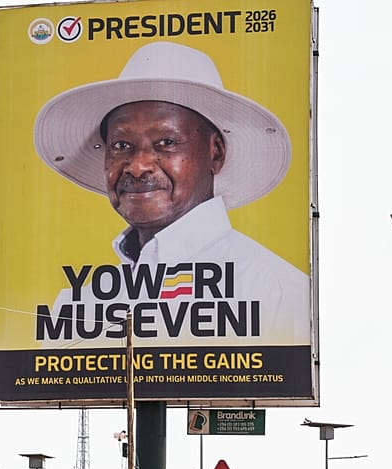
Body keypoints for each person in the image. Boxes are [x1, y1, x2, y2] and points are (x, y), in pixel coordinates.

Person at [34, 41, 309, 346]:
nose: (137, 167)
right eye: (121, 146)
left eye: (166, 142)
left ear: (215, 152)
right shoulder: (77, 307)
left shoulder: (275, 288)